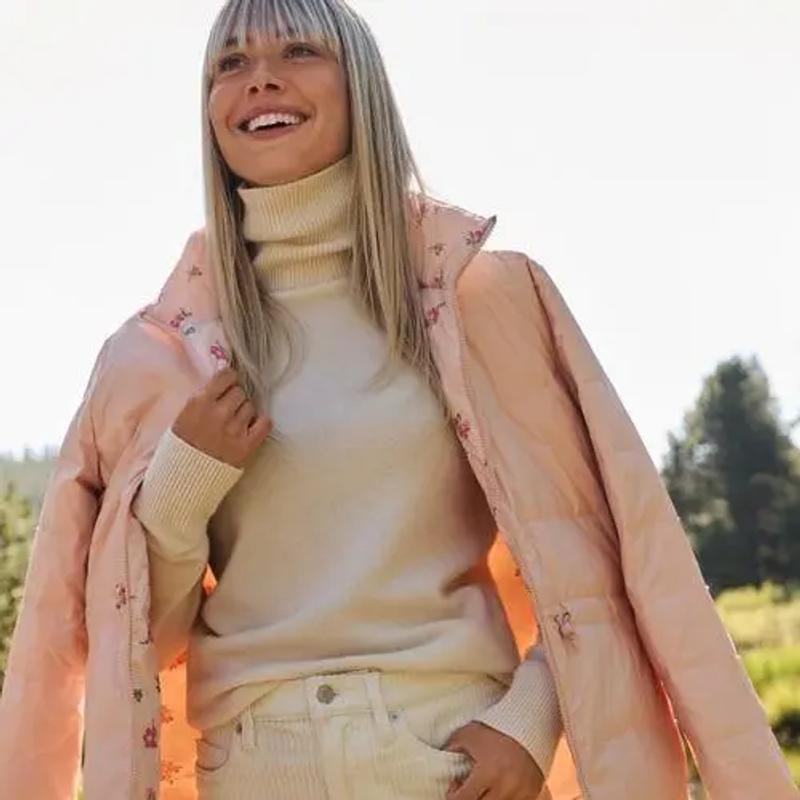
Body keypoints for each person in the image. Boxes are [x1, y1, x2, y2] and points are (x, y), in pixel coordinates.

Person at [1, 1, 795, 799]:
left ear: (361, 85)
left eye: (299, 50)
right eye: (229, 63)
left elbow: (596, 558)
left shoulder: (485, 302)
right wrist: (179, 486)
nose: (260, 79)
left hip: (453, 761)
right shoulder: (157, 357)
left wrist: (528, 721)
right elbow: (139, 641)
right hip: (251, 769)